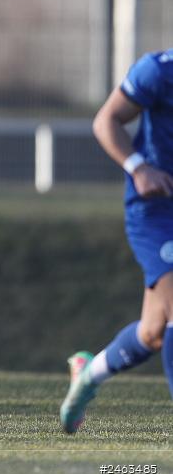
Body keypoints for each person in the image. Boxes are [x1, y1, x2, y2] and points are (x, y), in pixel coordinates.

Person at [60, 48, 173, 433]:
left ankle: (88, 375)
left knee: (153, 333)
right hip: (157, 210)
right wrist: (139, 168)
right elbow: (106, 120)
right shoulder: (158, 70)